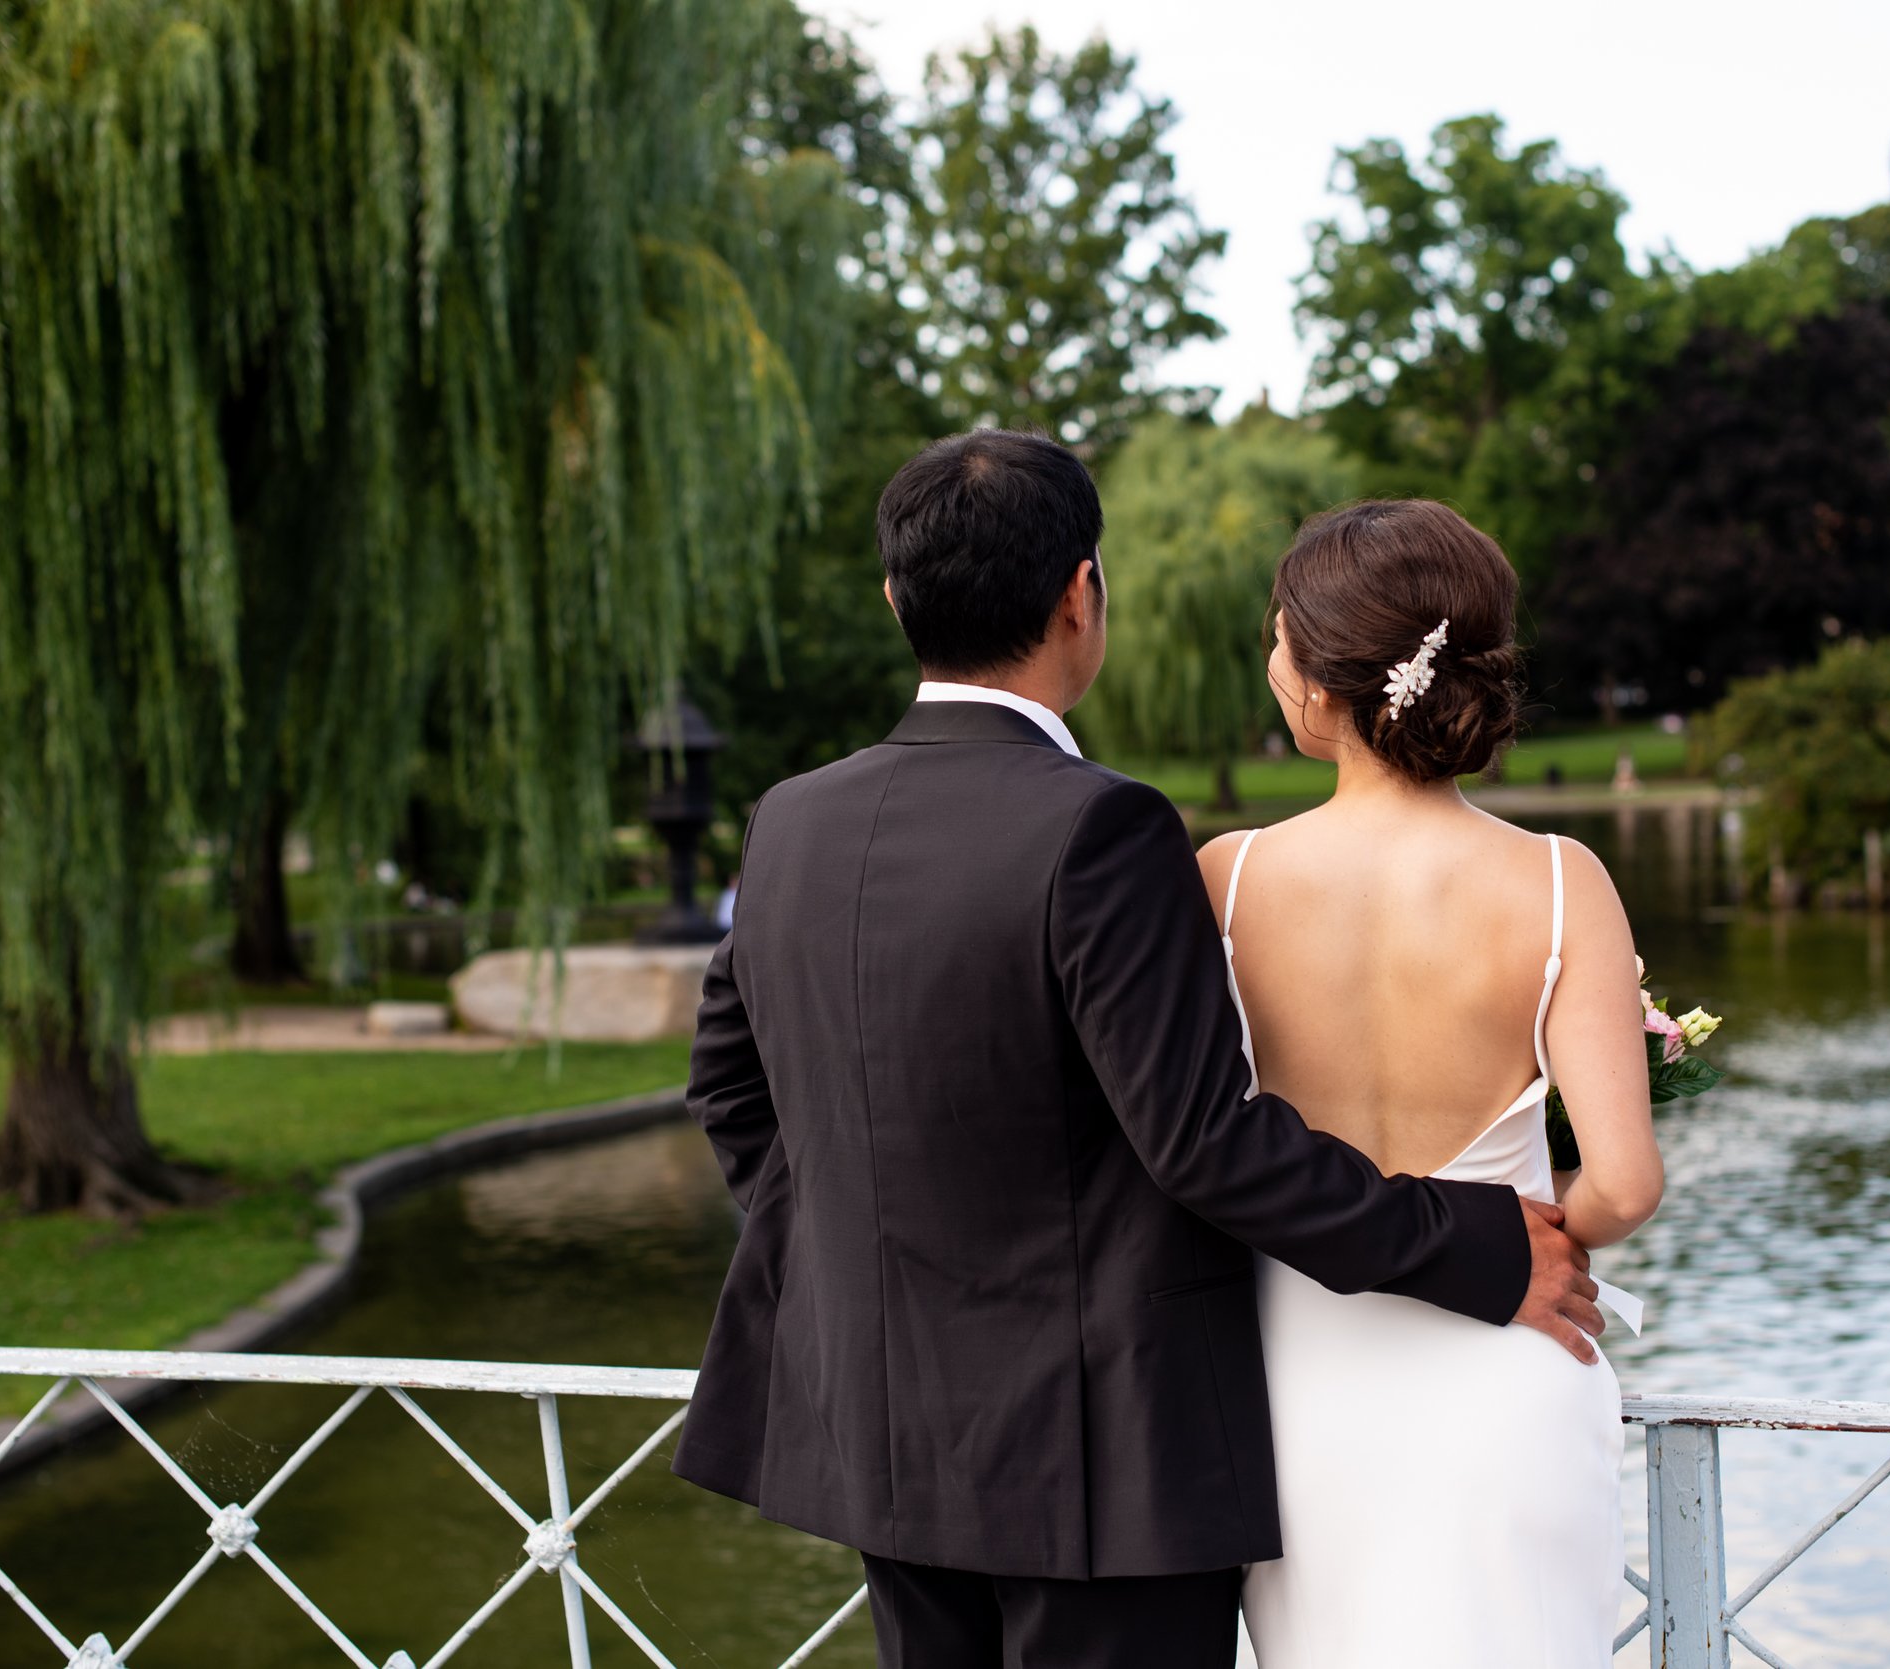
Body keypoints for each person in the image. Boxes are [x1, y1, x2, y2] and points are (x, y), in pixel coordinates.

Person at [675, 431, 1602, 1669]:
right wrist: (1476, 1243)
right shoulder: (1101, 828)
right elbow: (1203, 1140)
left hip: (880, 1436)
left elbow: (730, 1086)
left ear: (897, 598)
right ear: (1079, 593)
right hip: (1098, 1457)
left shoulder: (788, 819)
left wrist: (853, 1247)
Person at [1216, 501, 1662, 1667]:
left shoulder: (1222, 877)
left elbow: (1197, 1141)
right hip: (1510, 1370)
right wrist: (1544, 1229)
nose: (1270, 660)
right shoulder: (1561, 882)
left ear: (1322, 680)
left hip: (1291, 1376)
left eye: (1277, 637)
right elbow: (1625, 1183)